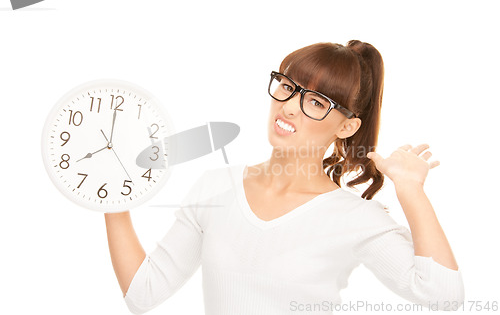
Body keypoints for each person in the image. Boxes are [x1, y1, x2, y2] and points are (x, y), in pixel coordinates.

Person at [104, 40, 464, 314]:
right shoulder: (215, 187)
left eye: (317, 102)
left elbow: (444, 297)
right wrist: (111, 196)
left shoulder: (354, 218)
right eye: (287, 85)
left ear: (347, 126)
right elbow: (143, 293)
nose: (289, 106)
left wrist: (411, 191)